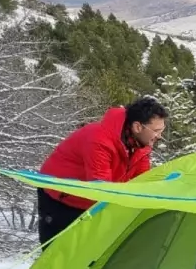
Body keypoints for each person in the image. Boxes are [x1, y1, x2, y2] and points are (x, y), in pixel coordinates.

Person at [36, 96, 167, 245]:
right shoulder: (99, 140)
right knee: (58, 251)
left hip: (92, 200)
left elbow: (141, 181)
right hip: (61, 196)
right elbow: (101, 188)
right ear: (137, 127)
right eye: (156, 131)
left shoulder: (141, 145)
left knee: (87, 250)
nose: (159, 136)